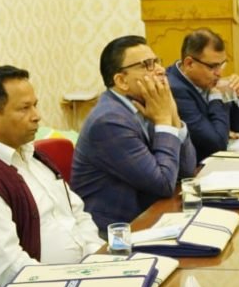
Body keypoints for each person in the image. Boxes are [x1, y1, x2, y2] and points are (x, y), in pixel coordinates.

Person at [0, 66, 102, 287]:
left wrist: (98, 259)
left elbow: (76, 212)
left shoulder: (33, 156)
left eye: (35, 105)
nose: (37, 116)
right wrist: (73, 284)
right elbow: (10, 270)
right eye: (24, 108)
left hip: (85, 274)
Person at [72, 36, 197, 231]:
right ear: (122, 81)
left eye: (157, 61)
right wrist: (164, 120)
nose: (161, 70)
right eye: (147, 65)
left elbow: (187, 170)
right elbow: (164, 184)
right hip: (115, 234)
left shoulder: (143, 105)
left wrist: (172, 113)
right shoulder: (109, 121)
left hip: (149, 217)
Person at [167, 28, 239, 162]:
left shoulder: (208, 81)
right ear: (189, 63)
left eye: (222, 65)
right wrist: (216, 98)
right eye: (213, 67)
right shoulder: (175, 89)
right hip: (194, 169)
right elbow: (216, 144)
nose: (219, 73)